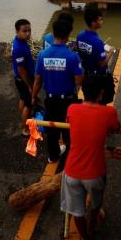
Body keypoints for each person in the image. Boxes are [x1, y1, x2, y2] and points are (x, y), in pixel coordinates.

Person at [60, 76, 120, 240]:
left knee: (77, 211)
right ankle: (92, 228)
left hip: (71, 171)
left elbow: (70, 121)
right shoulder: (109, 112)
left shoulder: (72, 108)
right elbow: (116, 128)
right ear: (101, 94)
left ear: (83, 92)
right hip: (95, 172)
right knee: (95, 206)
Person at [32, 18, 84, 163]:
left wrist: (33, 96)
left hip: (51, 100)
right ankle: (71, 155)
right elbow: (79, 81)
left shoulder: (43, 55)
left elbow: (37, 80)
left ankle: (53, 156)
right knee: (69, 128)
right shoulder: (73, 56)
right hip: (68, 100)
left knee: (52, 129)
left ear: (53, 33)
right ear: (68, 35)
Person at [76, 7, 115, 103]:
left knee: (89, 100)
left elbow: (82, 53)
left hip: (87, 75)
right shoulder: (97, 42)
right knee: (102, 100)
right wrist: (110, 52)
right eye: (100, 19)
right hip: (99, 78)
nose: (102, 21)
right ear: (93, 23)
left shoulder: (80, 36)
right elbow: (102, 64)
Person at [12, 19, 35, 136]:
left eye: (29, 30)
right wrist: (30, 85)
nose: (27, 33)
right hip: (23, 79)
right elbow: (21, 70)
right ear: (17, 31)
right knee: (28, 104)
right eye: (24, 31)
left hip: (20, 79)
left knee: (23, 99)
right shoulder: (18, 48)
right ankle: (25, 128)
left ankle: (24, 117)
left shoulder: (19, 41)